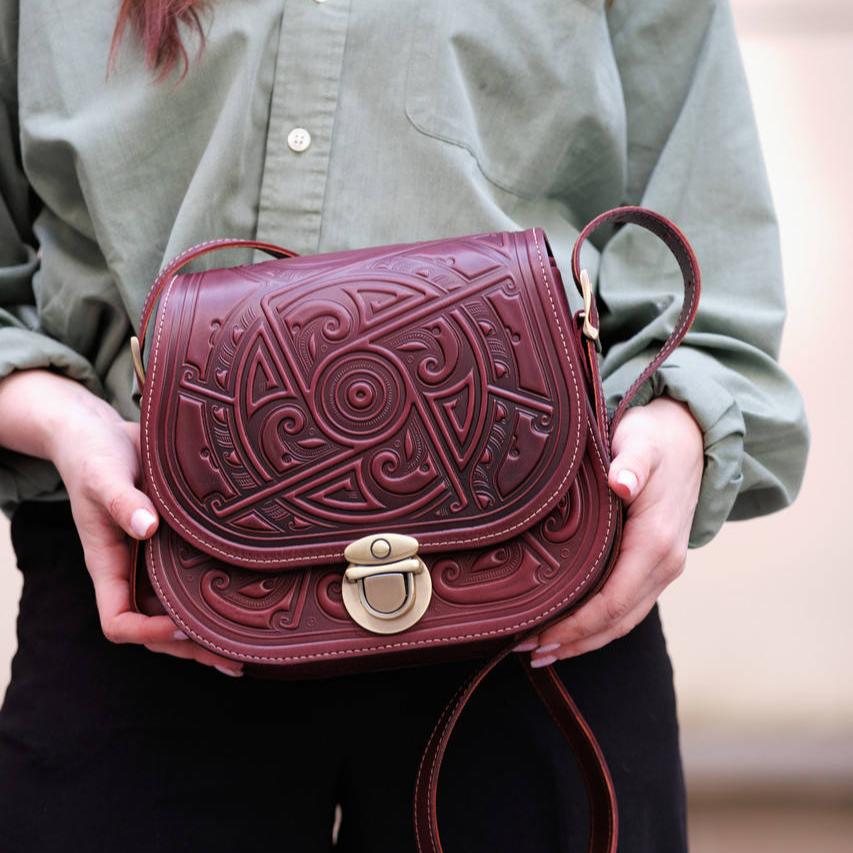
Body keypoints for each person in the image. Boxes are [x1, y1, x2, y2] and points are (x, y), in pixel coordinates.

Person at [0, 1, 808, 851]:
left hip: (541, 575)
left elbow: (702, 241)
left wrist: (678, 422)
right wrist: (57, 416)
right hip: (149, 580)